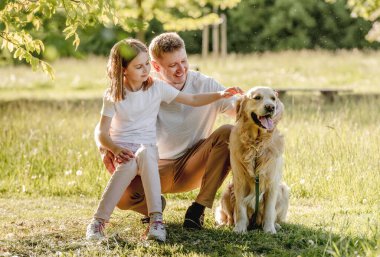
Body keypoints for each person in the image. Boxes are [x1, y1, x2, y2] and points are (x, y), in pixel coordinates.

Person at [86, 38, 238, 242]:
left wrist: (264, 106)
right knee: (124, 191)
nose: (180, 69)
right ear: (157, 65)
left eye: (183, 61)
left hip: (191, 164)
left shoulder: (191, 85)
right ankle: (134, 212)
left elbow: (231, 109)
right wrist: (108, 147)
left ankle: (190, 211)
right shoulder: (133, 88)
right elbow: (104, 126)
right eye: (172, 65)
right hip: (152, 166)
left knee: (228, 132)